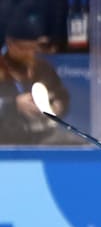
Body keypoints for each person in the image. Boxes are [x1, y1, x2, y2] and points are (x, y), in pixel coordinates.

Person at [0, 14, 71, 145]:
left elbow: (62, 95)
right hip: (7, 140)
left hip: (45, 137)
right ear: (10, 43)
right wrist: (14, 105)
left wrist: (56, 107)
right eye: (23, 48)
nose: (29, 53)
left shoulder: (43, 68)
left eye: (32, 48)